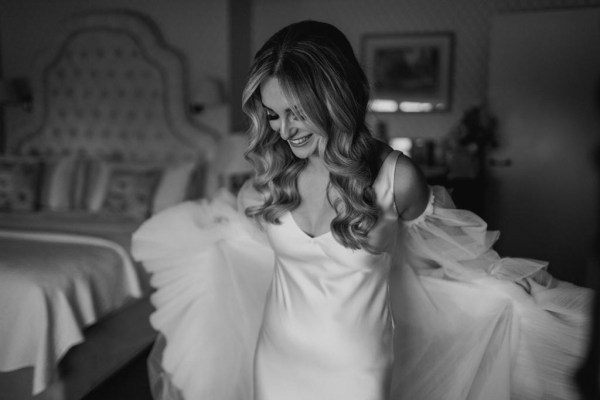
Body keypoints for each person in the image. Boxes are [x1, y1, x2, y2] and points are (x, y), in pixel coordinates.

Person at [132, 20, 593, 400]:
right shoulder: (273, 173)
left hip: (356, 369)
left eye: (297, 112)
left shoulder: (397, 177)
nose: (284, 130)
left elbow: (442, 258)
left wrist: (511, 296)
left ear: (335, 97)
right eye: (273, 114)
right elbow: (252, 245)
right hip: (275, 356)